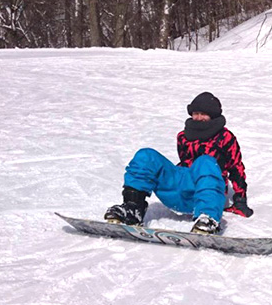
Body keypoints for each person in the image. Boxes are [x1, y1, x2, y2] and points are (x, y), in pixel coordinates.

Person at [105, 92, 253, 234]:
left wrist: (240, 199)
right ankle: (133, 208)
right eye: (196, 113)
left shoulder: (225, 137)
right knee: (146, 155)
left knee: (205, 162)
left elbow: (236, 168)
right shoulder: (183, 136)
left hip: (207, 193)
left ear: (213, 115)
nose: (199, 117)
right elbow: (185, 161)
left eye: (203, 114)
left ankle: (208, 218)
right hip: (181, 191)